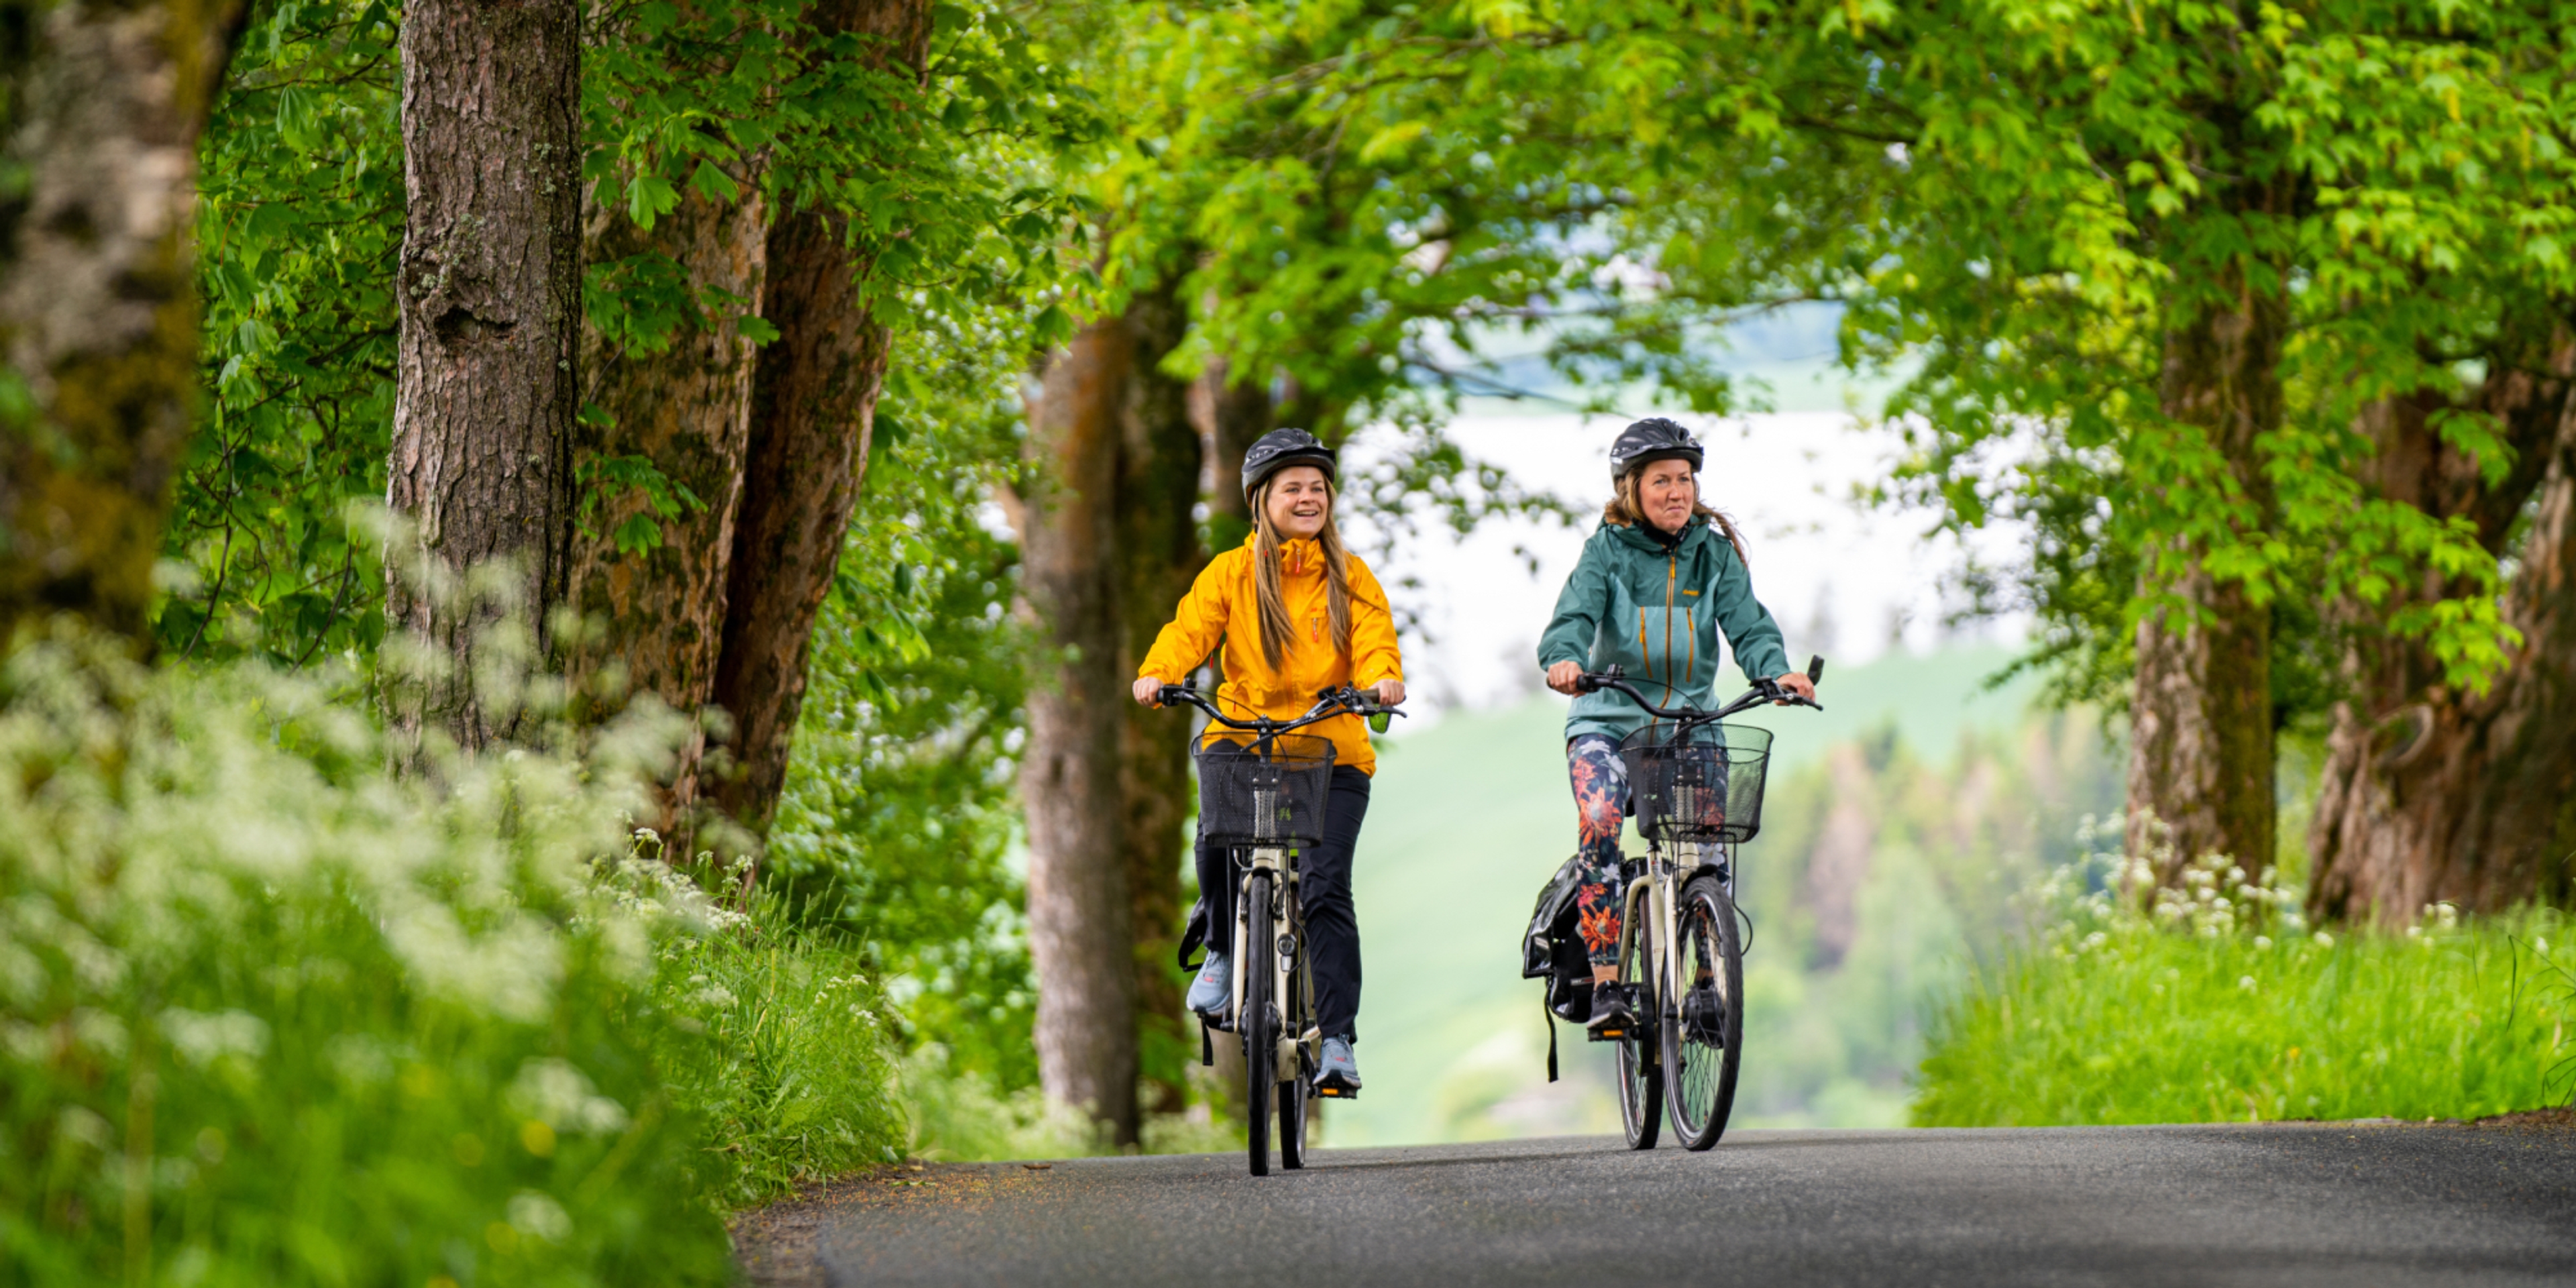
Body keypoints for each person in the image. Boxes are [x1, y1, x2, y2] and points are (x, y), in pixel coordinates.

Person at [1132, 427, 1405, 1097]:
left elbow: (1375, 641)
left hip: (1330, 748)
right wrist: (1158, 674)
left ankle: (1337, 1041)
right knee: (1215, 836)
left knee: (1324, 885)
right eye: (1294, 488)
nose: (1309, 497)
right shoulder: (1230, 572)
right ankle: (1225, 952)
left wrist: (1382, 680)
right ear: (1262, 500)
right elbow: (1188, 630)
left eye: (1318, 488)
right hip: (1247, 736)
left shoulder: (1351, 576)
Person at [1535, 417, 1816, 1036]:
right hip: (1607, 721)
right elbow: (1574, 617)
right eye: (1661, 480)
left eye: (1684, 479)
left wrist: (1777, 673)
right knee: (1602, 820)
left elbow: (1749, 626)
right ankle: (1607, 984)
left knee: (1708, 855)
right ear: (1631, 489)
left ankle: (1707, 985)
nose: (1676, 491)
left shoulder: (1712, 554)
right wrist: (1565, 661)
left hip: (1690, 723)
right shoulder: (1604, 551)